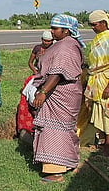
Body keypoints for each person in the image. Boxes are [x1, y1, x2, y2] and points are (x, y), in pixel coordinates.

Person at [32, 14, 84, 183]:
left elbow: (57, 73)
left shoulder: (66, 47)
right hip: (63, 92)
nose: (52, 31)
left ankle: (55, 170)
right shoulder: (65, 44)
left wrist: (43, 92)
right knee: (65, 129)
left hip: (60, 94)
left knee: (55, 130)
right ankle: (69, 162)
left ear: (67, 31)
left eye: (55, 28)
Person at [82, 9, 109, 156]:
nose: (92, 27)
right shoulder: (98, 38)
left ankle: (107, 148)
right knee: (97, 113)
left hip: (105, 81)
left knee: (107, 114)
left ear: (103, 23)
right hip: (96, 81)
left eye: (94, 24)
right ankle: (101, 141)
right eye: (91, 25)